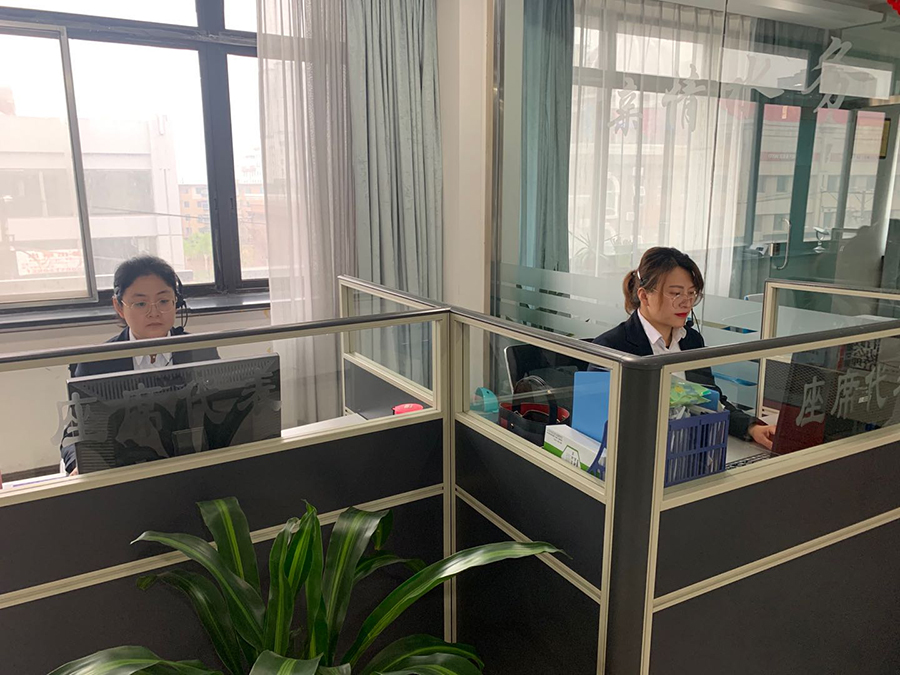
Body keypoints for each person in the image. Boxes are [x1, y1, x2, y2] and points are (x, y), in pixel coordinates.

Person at [593, 246, 776, 449]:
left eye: (691, 294)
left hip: (690, 450)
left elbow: (710, 398)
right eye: (676, 294)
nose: (686, 303)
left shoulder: (691, 340)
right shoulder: (612, 348)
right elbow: (600, 423)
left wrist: (751, 428)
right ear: (644, 296)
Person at [60, 256, 218, 473]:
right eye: (141, 303)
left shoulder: (200, 351)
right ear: (119, 306)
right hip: (125, 471)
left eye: (163, 301)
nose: (154, 312)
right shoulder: (96, 363)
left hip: (191, 464)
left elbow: (219, 413)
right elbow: (74, 433)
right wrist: (78, 464)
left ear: (176, 303)